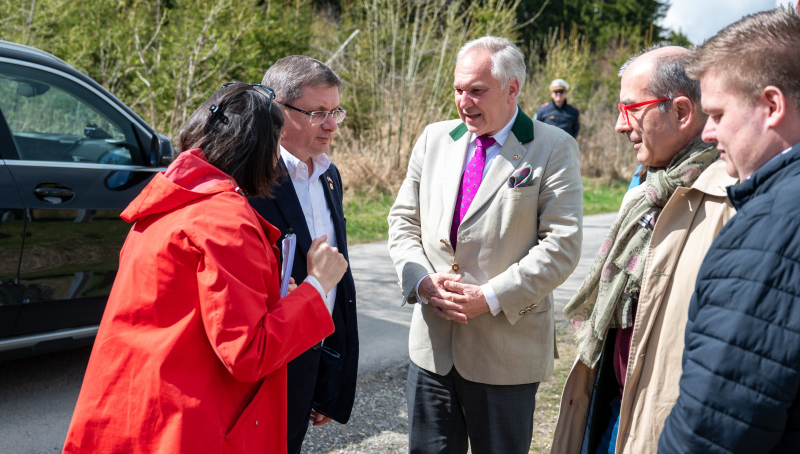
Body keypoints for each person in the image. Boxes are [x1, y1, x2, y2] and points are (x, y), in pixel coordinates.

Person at [62, 83, 348, 454]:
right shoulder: (224, 222)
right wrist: (316, 285)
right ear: (261, 152)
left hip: (133, 407)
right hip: (186, 424)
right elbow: (248, 352)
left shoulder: (169, 200)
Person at [387, 36, 583, 454]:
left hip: (505, 354)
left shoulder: (552, 147)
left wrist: (490, 297)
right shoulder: (434, 139)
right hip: (432, 350)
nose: (464, 101)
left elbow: (562, 245)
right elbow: (403, 221)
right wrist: (421, 281)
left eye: (477, 90)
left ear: (512, 88)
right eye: (458, 89)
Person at [551, 46, 736, 454]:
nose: (621, 125)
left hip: (660, 425)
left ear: (682, 112)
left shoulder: (728, 201)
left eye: (632, 108)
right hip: (611, 404)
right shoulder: (647, 187)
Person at [659, 8, 800, 452]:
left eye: (717, 113)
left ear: (772, 106)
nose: (708, 132)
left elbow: (714, 427)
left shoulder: (772, 231)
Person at [249, 56, 358, 454]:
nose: (330, 125)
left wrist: (329, 375)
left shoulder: (330, 175)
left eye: (335, 112)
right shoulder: (250, 179)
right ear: (277, 110)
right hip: (266, 367)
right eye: (317, 113)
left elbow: (336, 283)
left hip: (311, 357)